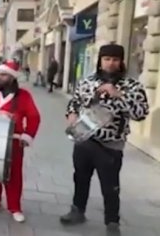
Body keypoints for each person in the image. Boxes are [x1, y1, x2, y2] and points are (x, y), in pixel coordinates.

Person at [60, 44, 149, 232]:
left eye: (115, 60)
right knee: (80, 178)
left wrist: (119, 95)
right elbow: (74, 102)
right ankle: (78, 210)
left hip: (110, 145)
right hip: (84, 140)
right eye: (107, 59)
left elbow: (141, 113)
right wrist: (71, 115)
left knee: (110, 186)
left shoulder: (132, 86)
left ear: (121, 62)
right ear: (100, 61)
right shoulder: (87, 81)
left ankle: (112, 221)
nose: (110, 63)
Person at [0, 59, 41, 222]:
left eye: (4, 75)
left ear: (12, 77)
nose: (0, 78)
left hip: (13, 141)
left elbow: (34, 117)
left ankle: (14, 206)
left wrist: (27, 135)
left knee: (14, 175)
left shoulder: (24, 96)